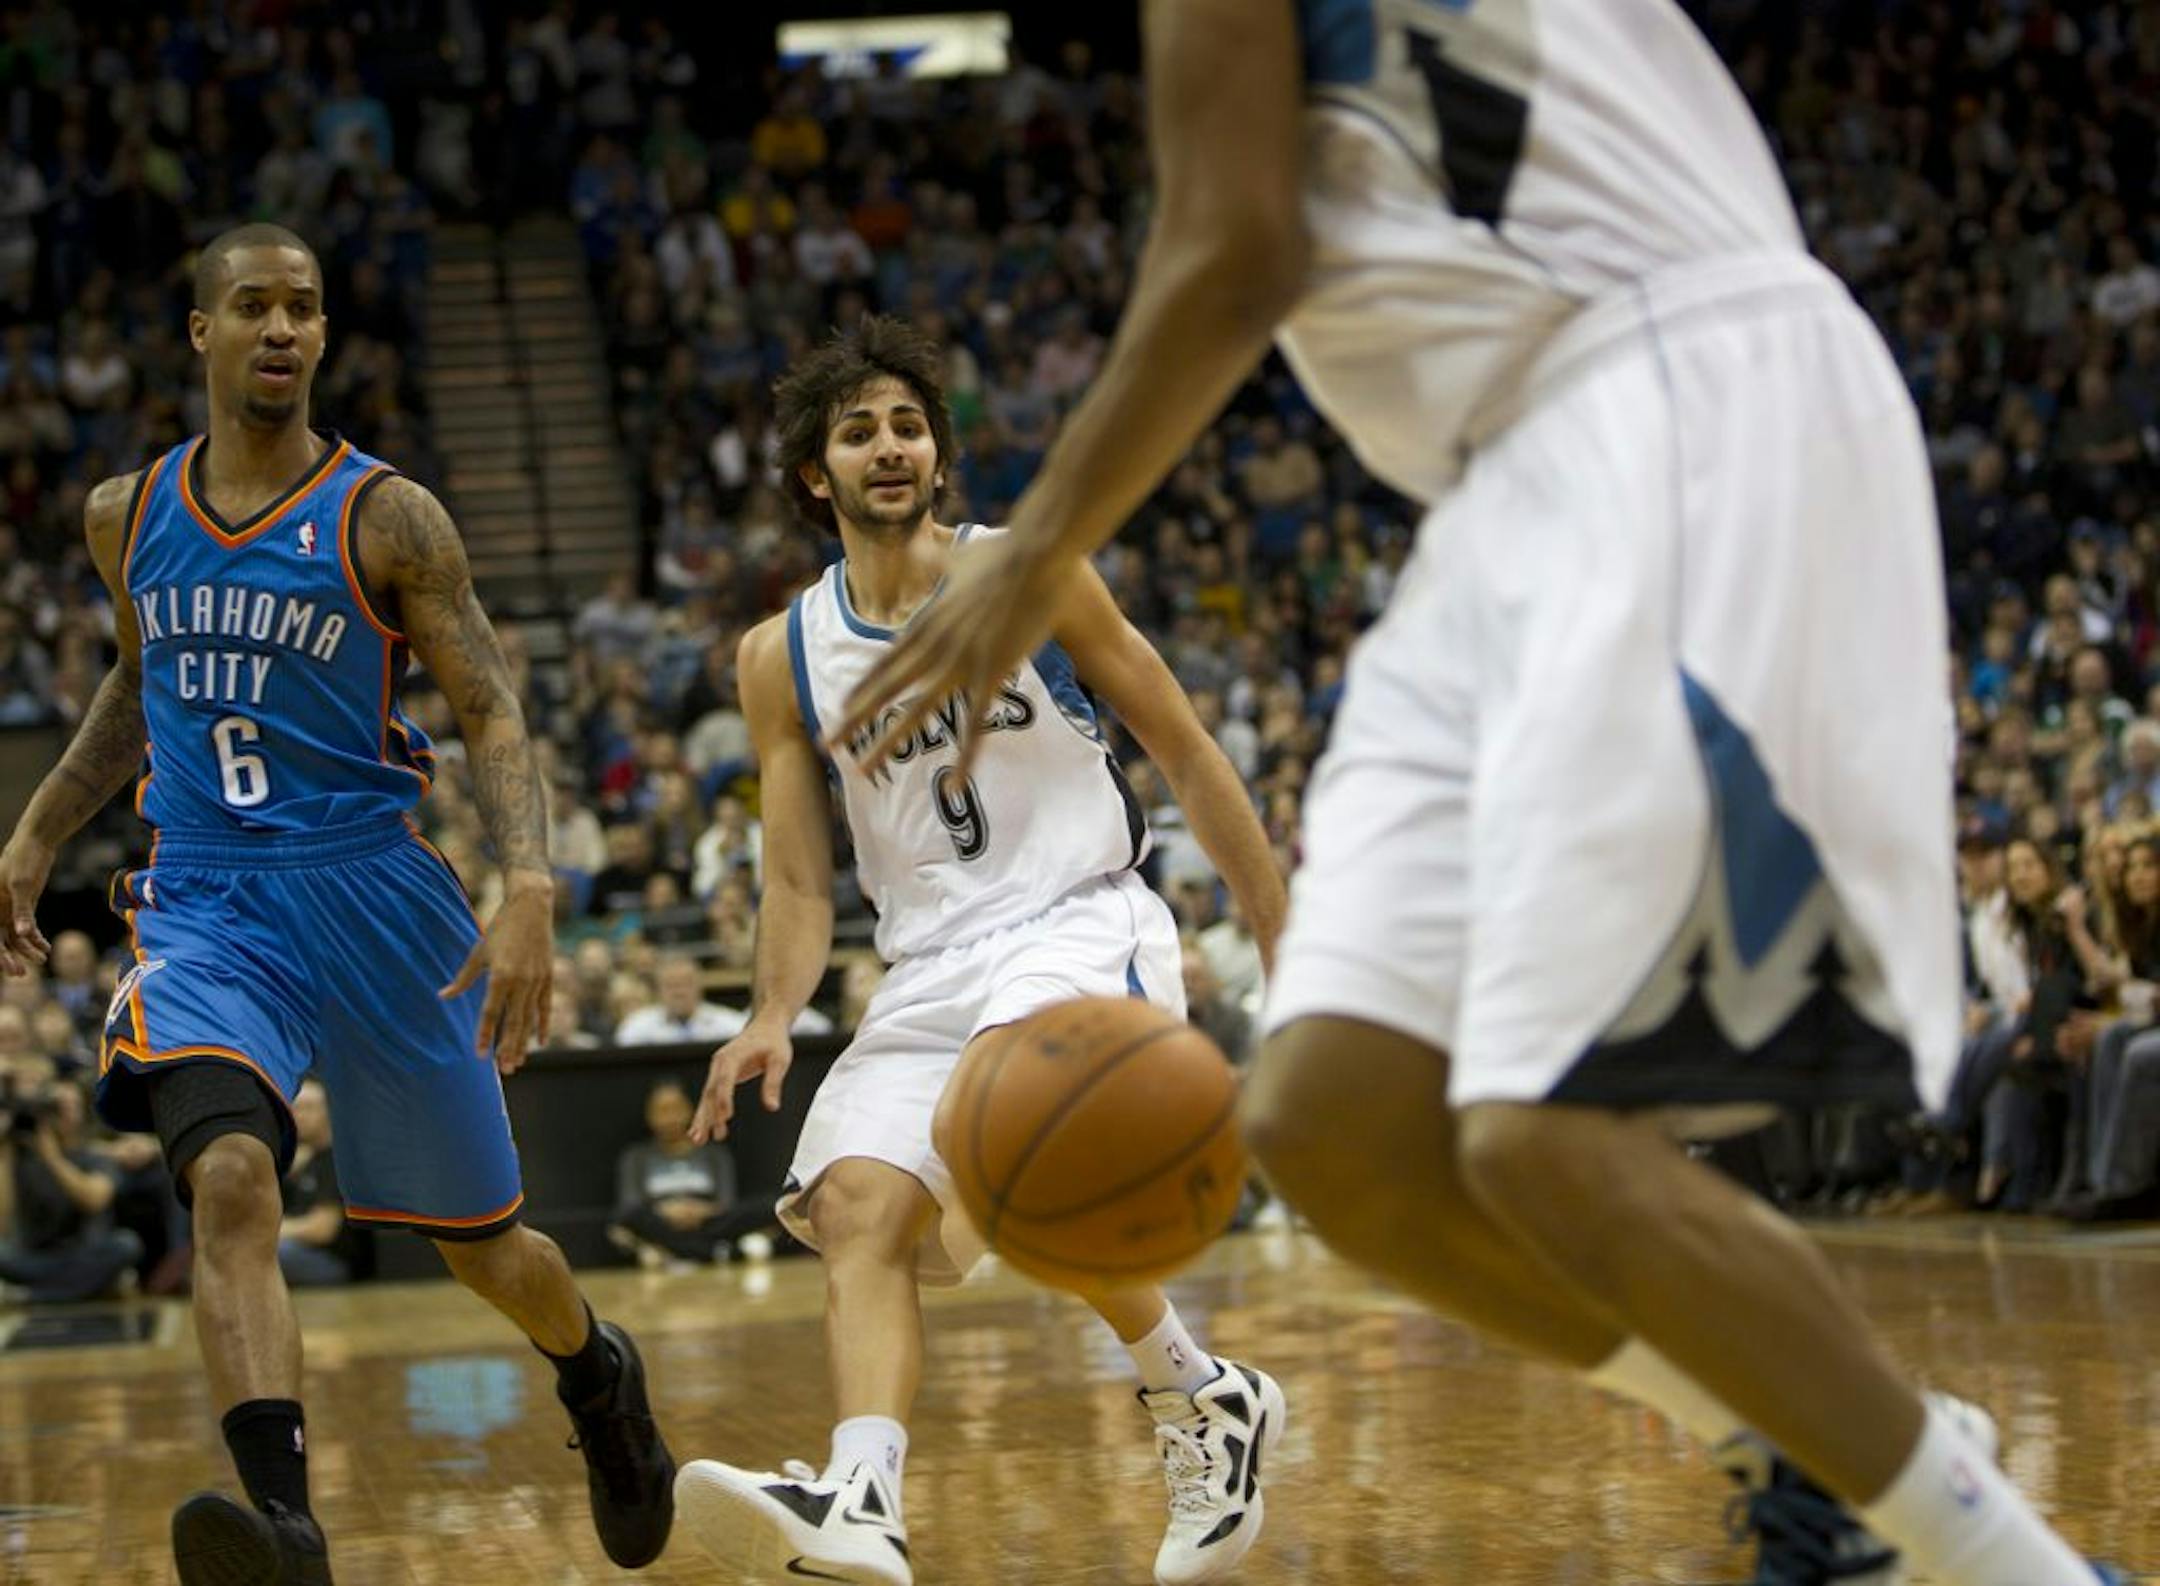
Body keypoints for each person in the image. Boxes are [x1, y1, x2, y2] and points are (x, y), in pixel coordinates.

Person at [831, 7, 2121, 1586]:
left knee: (1541, 1130)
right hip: (1509, 479)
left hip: (1667, 390)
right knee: (1339, 1121)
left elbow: (1236, 248)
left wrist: (1031, 553)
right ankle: (1818, 1453)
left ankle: (2015, 1568)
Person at [0, 223, 674, 1584]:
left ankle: (597, 1374)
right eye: (252, 305)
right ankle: (285, 1523)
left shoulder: (388, 516)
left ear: (321, 333)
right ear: (202, 331)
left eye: (302, 307)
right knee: (233, 1178)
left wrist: (529, 879)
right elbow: (142, 688)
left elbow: (487, 703)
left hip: (373, 890)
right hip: (204, 896)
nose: (281, 327)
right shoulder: (125, 514)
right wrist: (35, 826)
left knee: (483, 1250)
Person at [673, 317, 1290, 1586]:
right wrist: (770, 1010)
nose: (888, 446)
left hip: (1076, 913)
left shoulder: (1030, 568)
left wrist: (1289, 934)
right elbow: (796, 874)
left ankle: (1193, 1398)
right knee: (857, 1206)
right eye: (858, 431)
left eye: (907, 425)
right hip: (930, 960)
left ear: (939, 458)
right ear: (815, 475)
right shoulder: (778, 658)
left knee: (1011, 1113)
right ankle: (867, 1495)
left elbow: (1181, 743)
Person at [0, 1075, 143, 1304]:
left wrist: (51, 1157)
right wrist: (5, 1150)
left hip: (84, 1252)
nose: (63, 1113)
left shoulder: (96, 1157)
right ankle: (88, 1286)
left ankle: (32, 1296)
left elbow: (95, 1200)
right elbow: (2, 1221)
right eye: (56, 1105)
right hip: (35, 1256)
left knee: (126, 1244)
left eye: (71, 1105)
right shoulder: (21, 1158)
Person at [608, 1079, 776, 1266]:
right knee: (626, 1218)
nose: (670, 1118)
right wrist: (665, 1211)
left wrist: (700, 1211)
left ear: (689, 1110)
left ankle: (673, 1253)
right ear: (649, 1115)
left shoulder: (714, 1154)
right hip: (661, 1224)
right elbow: (629, 1204)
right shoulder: (635, 1157)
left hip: (709, 1223)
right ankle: (724, 1252)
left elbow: (727, 1201)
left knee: (772, 1207)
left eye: (675, 1109)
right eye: (662, 1111)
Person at [277, 1079, 363, 1288]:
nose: (299, 1116)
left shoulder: (338, 1161)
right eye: (295, 1108)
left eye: (308, 1108)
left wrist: (268, 1231)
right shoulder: (304, 1160)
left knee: (273, 1253)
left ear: (330, 1111)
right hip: (299, 1250)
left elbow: (322, 1230)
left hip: (331, 1260)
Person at [613, 950, 748, 1046]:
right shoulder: (636, 1027)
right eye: (671, 985)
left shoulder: (731, 1025)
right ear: (658, 989)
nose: (679, 992)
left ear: (699, 986)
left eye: (686, 984)